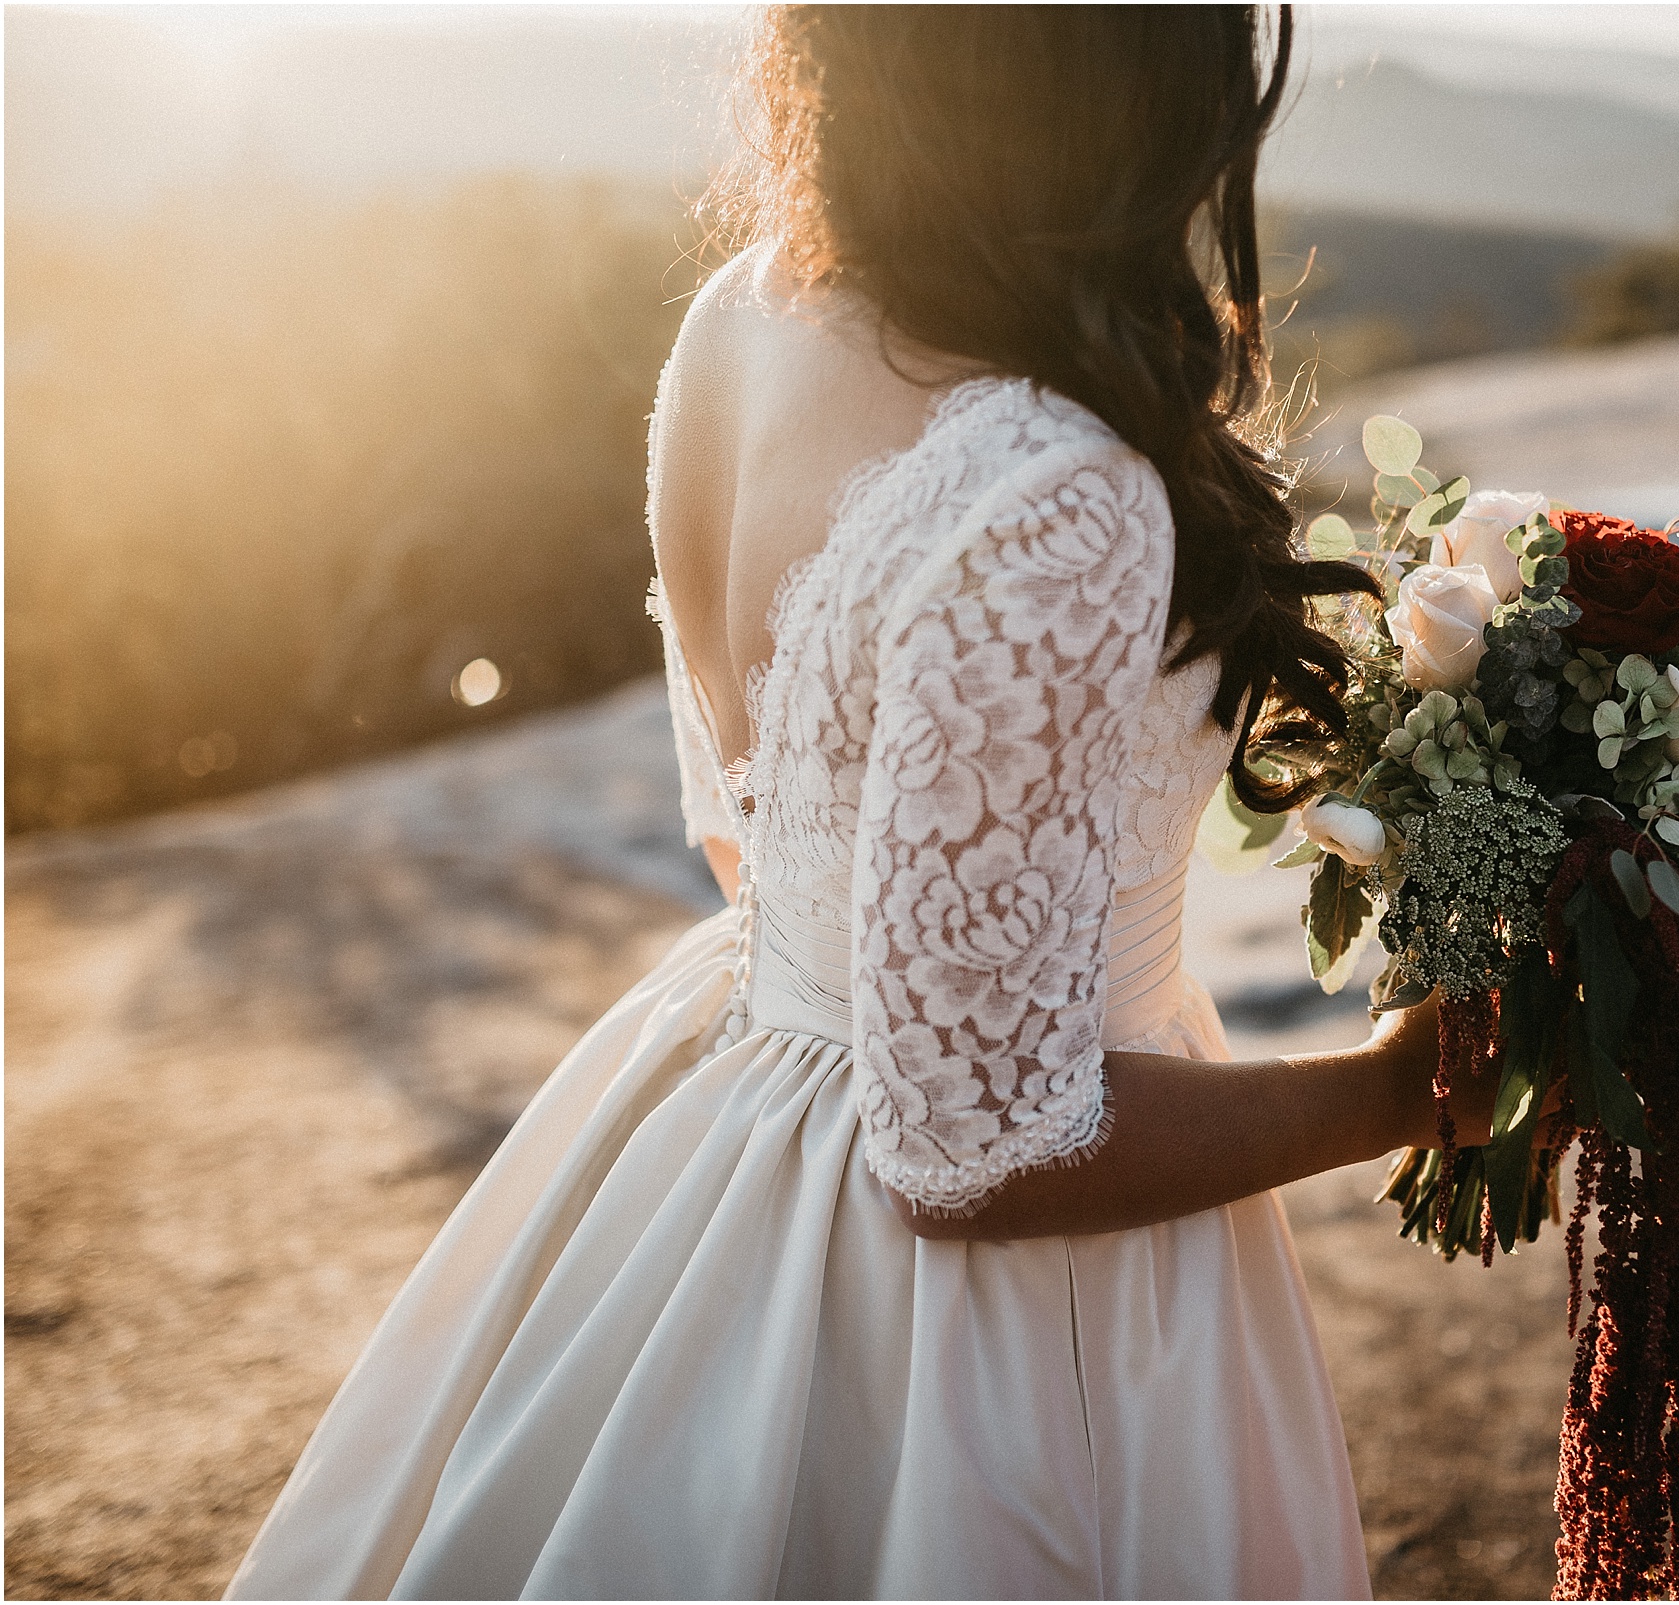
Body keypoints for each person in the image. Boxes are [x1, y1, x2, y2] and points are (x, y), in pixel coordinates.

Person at [226, 6, 1490, 1599]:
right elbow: (978, 1148)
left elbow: (745, 833)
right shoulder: (1060, 484)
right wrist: (1396, 1089)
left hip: (726, 1113)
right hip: (997, 1328)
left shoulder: (739, 322)